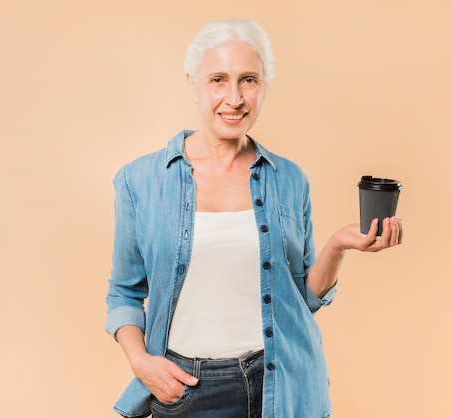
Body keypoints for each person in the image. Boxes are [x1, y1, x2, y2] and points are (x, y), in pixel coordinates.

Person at [105, 18, 403, 418]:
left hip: (282, 383)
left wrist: (338, 245)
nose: (234, 98)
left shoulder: (289, 178)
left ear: (264, 87)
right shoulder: (140, 181)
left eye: (249, 80)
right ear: (193, 84)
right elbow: (124, 292)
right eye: (218, 80)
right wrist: (142, 363)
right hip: (187, 389)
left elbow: (302, 298)